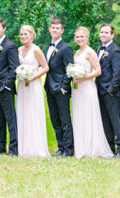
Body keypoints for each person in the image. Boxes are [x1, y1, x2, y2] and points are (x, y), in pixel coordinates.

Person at [71, 26, 113, 159]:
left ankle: (91, 147)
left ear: (87, 37)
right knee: (79, 115)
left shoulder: (90, 52)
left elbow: (98, 71)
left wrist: (84, 77)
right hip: (77, 89)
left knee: (88, 115)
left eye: (82, 36)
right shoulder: (76, 53)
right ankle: (80, 147)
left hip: (87, 87)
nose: (79, 39)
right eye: (77, 37)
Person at [15, 25, 50, 158]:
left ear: (32, 35)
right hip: (22, 86)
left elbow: (46, 67)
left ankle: (36, 147)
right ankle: (23, 147)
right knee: (23, 113)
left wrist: (33, 77)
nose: (23, 37)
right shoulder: (18, 50)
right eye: (22, 34)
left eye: (26, 34)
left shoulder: (36, 50)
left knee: (33, 113)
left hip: (33, 85)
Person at [0, 17, 19, 155]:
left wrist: (7, 85)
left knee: (10, 119)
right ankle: (0, 147)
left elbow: (14, 68)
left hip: (5, 88)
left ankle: (13, 149)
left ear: (4, 28)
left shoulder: (10, 45)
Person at [44, 18, 74, 157]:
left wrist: (64, 87)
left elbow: (69, 69)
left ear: (62, 31)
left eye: (57, 28)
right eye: (52, 28)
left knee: (64, 119)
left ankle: (68, 149)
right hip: (49, 88)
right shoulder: (48, 47)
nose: (54, 30)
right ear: (49, 29)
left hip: (61, 89)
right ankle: (60, 147)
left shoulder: (66, 48)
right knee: (54, 118)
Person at [96, 23, 120, 157]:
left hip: (110, 92)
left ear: (112, 35)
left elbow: (117, 73)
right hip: (99, 91)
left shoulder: (115, 51)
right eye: (102, 32)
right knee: (105, 121)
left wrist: (111, 89)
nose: (103, 35)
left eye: (106, 32)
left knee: (116, 120)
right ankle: (109, 147)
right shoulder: (98, 50)